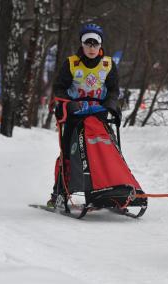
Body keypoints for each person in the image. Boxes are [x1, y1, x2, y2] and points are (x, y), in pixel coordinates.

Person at [47, 23, 121, 207]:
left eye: (95, 44)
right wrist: (69, 103)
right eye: (88, 44)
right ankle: (59, 192)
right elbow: (59, 88)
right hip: (75, 114)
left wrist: (111, 104)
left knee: (106, 151)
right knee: (68, 153)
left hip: (99, 114)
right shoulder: (71, 63)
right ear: (82, 44)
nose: (91, 48)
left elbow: (113, 90)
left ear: (100, 45)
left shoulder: (108, 64)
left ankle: (111, 190)